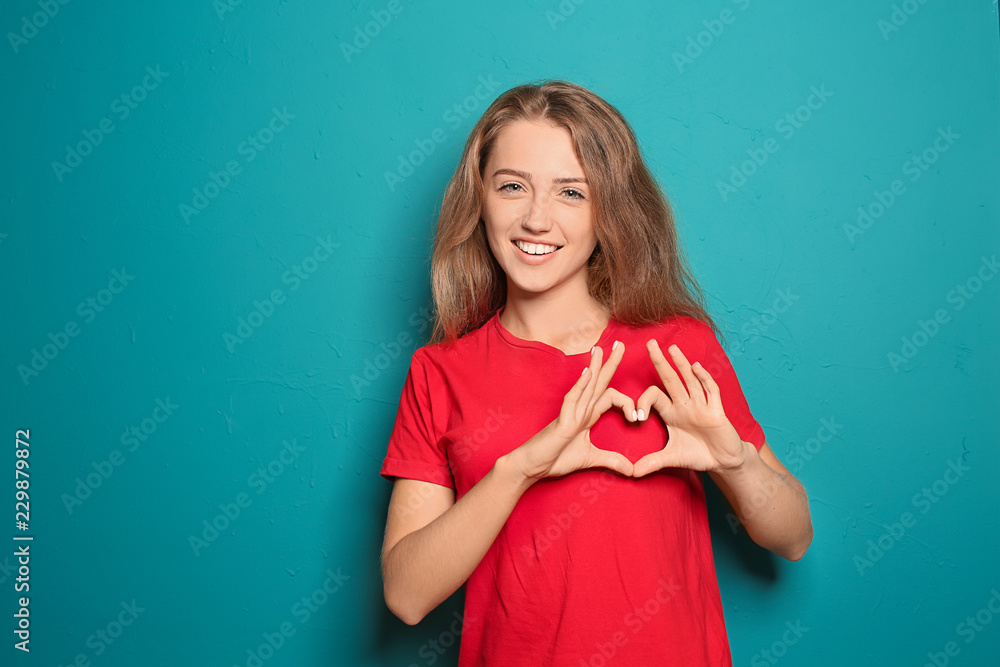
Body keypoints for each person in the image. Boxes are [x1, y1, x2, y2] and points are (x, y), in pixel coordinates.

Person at [379, 79, 812, 666]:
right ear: (479, 199)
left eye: (571, 193)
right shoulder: (439, 372)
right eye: (512, 187)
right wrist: (519, 469)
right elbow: (406, 596)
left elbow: (792, 537)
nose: (536, 218)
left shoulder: (677, 347)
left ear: (609, 210)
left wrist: (733, 461)